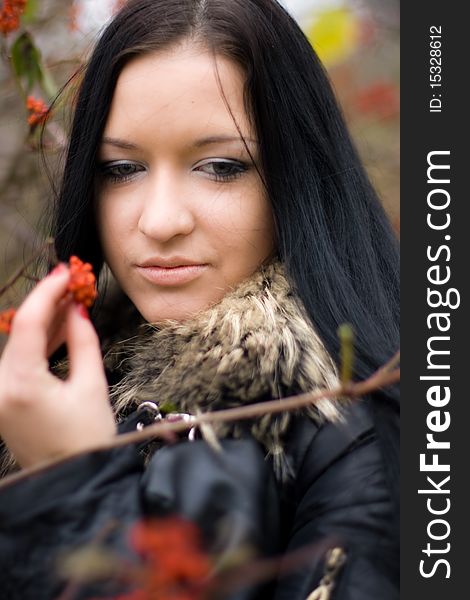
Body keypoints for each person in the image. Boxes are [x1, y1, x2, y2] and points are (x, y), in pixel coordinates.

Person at [0, 0, 400, 598]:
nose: (160, 221)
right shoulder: (64, 385)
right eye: (122, 168)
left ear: (298, 177)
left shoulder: (359, 446)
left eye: (219, 166)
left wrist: (73, 493)